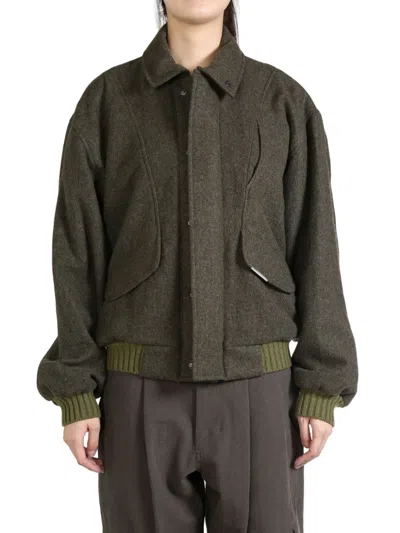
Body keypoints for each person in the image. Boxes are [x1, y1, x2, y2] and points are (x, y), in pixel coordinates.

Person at [36, 1, 359, 532]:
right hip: (137, 389)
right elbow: (77, 252)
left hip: (259, 388)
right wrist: (74, 390)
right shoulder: (107, 102)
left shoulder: (282, 101)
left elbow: (316, 244)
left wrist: (322, 385)